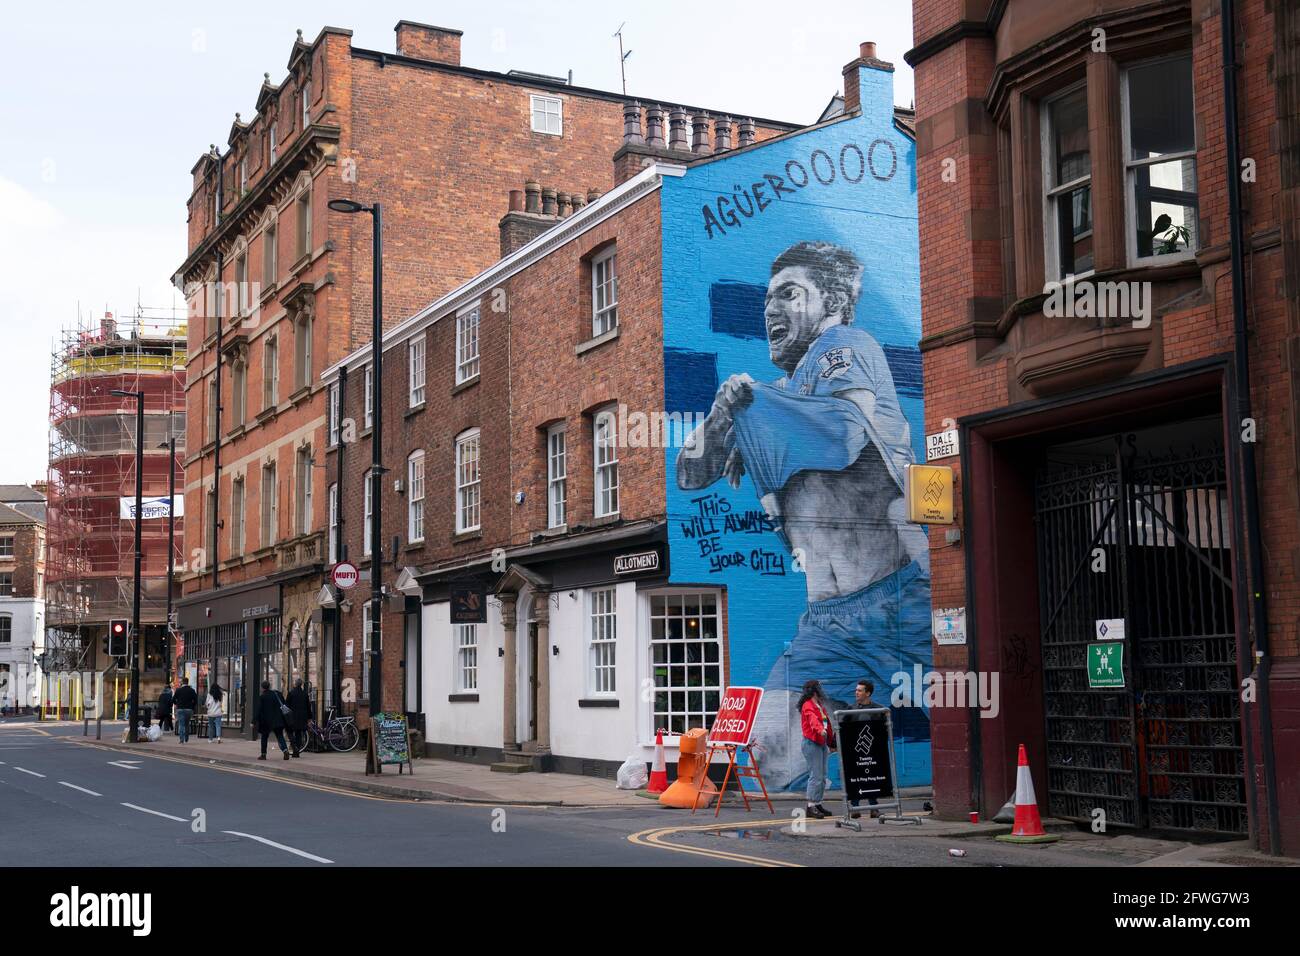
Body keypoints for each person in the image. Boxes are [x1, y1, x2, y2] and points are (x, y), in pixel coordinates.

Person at [677, 240, 931, 790]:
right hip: (827, 624)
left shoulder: (846, 345)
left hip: (903, 600)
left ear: (834, 301)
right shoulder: (777, 397)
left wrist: (763, 411)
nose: (770, 310)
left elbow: (842, 435)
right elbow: (690, 474)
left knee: (972, 708)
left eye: (789, 295)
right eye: (767, 300)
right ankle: (684, 774)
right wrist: (725, 414)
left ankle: (1011, 791)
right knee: (765, 755)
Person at [798, 679, 835, 819]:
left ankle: (817, 803)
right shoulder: (807, 706)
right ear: (814, 690)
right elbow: (813, 720)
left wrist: (831, 742)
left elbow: (828, 724)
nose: (822, 690)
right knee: (815, 776)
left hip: (821, 743)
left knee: (823, 776)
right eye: (820, 688)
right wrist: (820, 730)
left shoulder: (819, 705)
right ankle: (810, 806)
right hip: (811, 743)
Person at [849, 679, 880, 820]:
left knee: (871, 779)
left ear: (868, 693)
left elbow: (885, 728)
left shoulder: (878, 710)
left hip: (873, 751)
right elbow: (843, 729)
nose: (856, 692)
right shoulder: (850, 710)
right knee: (856, 778)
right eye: (856, 690)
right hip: (855, 752)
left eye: (859, 690)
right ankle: (854, 808)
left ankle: (874, 808)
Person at [255, 680, 290, 760]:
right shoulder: (277, 694)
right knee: (280, 736)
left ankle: (263, 755)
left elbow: (259, 710)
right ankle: (285, 751)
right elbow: (284, 705)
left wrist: (254, 721)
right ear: (269, 686)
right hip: (278, 720)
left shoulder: (262, 697)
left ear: (262, 688)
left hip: (266, 722)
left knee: (264, 737)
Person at [285, 678, 311, 758]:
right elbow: (308, 706)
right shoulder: (305, 694)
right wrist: (309, 717)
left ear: (295, 684)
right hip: (302, 717)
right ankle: (297, 752)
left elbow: (286, 705)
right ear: (301, 684)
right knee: (299, 734)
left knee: (289, 732)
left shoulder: (291, 693)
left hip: (292, 717)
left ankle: (294, 747)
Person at [172, 677, 198, 744]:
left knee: (181, 724)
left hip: (180, 709)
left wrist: (177, 704)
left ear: (182, 682)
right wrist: (192, 707)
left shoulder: (178, 690)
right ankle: (186, 738)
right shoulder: (192, 690)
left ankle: (181, 739)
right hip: (188, 710)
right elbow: (196, 700)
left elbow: (173, 699)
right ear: (187, 682)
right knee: (187, 724)